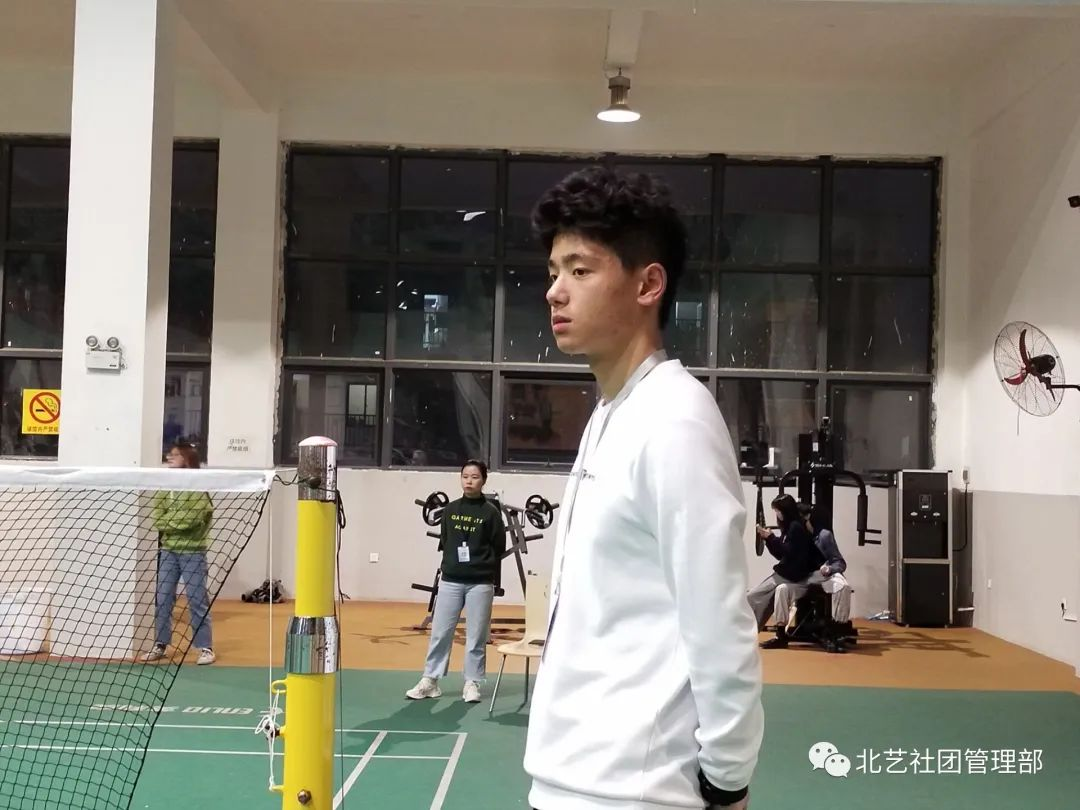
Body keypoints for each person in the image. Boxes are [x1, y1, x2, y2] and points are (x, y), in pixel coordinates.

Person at [523, 166, 763, 810]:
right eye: (554, 271)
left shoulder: (675, 421)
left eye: (580, 270)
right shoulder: (612, 412)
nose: (555, 291)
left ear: (648, 284)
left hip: (637, 791)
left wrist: (728, 778)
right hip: (572, 779)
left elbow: (718, 621)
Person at [406, 459, 507, 704]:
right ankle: (430, 680)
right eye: (465, 476)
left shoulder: (491, 513)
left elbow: (499, 546)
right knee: (440, 632)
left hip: (480, 583)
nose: (469, 481)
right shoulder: (450, 510)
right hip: (451, 581)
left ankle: (472, 683)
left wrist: (481, 566)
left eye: (474, 477)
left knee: (476, 636)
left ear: (483, 480)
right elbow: (446, 541)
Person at [143, 442, 216, 666]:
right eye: (170, 454)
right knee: (163, 598)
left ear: (187, 458)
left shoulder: (197, 486)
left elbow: (192, 519)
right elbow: (157, 518)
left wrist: (171, 522)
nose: (170, 457)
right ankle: (160, 644)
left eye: (175, 455)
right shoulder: (165, 486)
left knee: (197, 599)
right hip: (168, 551)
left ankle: (205, 647)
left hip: (193, 552)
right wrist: (174, 522)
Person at [746, 493, 822, 649]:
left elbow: (788, 552)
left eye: (777, 511)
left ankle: (746, 633)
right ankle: (749, 633)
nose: (776, 514)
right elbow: (781, 554)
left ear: (785, 511)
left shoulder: (796, 528)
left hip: (790, 575)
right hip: (785, 573)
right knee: (756, 597)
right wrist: (769, 539)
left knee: (753, 596)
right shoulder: (790, 527)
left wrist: (771, 538)